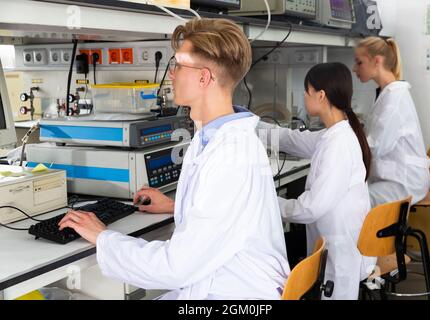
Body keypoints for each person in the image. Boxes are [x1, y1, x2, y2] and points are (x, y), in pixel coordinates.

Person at [58, 18, 290, 300]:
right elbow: (219, 214)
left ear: (204, 77)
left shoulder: (231, 155)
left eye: (178, 65)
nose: (171, 74)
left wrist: (102, 237)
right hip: (222, 282)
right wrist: (174, 204)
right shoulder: (212, 135)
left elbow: (176, 267)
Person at [258, 63, 376, 300]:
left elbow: (309, 208)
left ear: (321, 95)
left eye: (306, 90)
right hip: (335, 244)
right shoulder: (336, 133)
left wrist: (265, 200)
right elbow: (292, 139)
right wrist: (250, 124)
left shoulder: (339, 145)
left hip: (340, 254)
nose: (303, 96)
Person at [353, 37, 430, 207]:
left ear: (377, 61)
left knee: (352, 200)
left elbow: (375, 147)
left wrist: (341, 145)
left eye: (359, 63)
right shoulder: (388, 93)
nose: (354, 68)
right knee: (350, 194)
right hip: (397, 177)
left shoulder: (394, 99)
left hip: (405, 182)